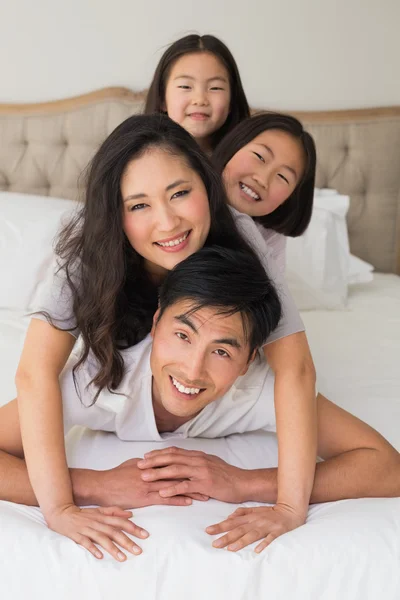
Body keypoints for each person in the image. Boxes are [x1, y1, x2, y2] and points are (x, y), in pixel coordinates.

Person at [8, 114, 308, 561]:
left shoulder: (241, 236)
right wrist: (67, 502)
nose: (168, 223)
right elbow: (35, 373)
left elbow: (297, 369)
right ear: (116, 213)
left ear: (207, 186)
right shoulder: (88, 256)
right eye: (139, 205)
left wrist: (287, 505)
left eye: (180, 193)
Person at [1, 248, 399, 560]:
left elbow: (386, 466)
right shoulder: (95, 378)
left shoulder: (264, 388)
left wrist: (245, 482)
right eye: (182, 335)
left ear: (249, 359)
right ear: (156, 325)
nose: (192, 370)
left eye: (222, 352)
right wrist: (92, 485)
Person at [213, 111, 317, 272]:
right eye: (259, 157)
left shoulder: (270, 237)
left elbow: (272, 290)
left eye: (282, 177)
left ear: (289, 198)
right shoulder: (187, 197)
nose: (262, 179)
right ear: (234, 147)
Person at [144, 34, 250, 153]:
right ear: (162, 98)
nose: (200, 100)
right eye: (185, 86)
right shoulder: (139, 156)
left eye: (215, 88)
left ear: (232, 100)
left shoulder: (242, 158)